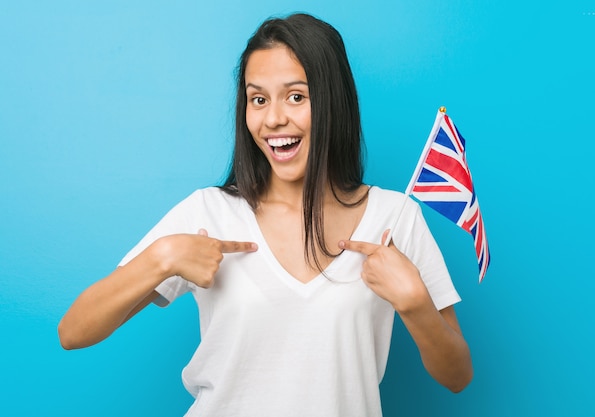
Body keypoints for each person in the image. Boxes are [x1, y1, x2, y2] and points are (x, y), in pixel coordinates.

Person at [58, 12, 472, 417]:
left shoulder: (394, 217)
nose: (273, 119)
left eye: (296, 96)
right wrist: (161, 258)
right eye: (258, 99)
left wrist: (416, 303)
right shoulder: (210, 212)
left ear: (333, 102)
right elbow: (74, 332)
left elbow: (457, 376)